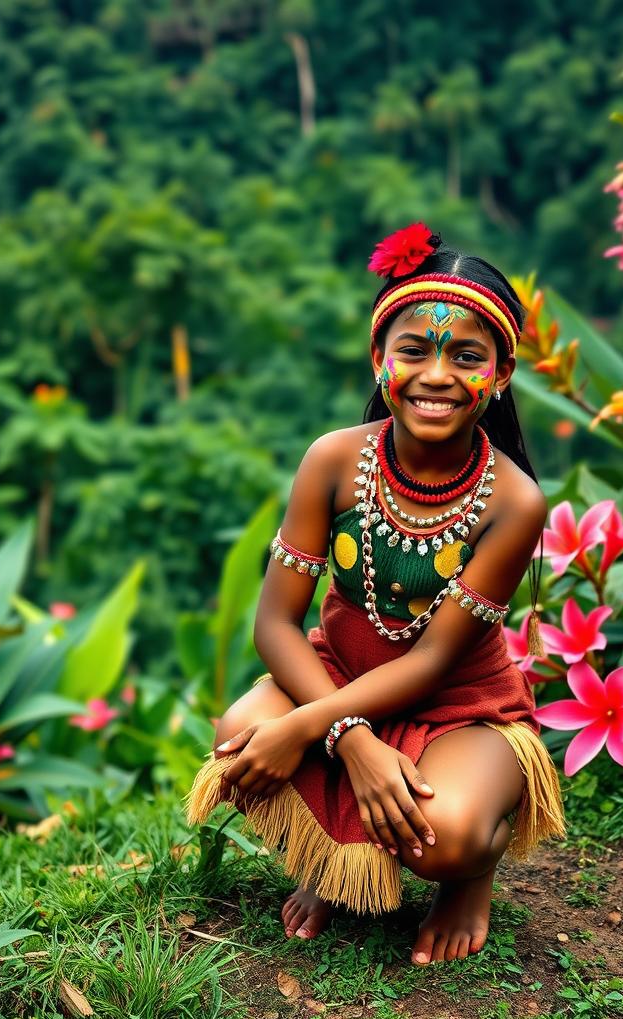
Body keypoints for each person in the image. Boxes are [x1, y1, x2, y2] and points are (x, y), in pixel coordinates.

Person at [185, 222, 564, 966]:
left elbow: (429, 666)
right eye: (414, 350)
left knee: (444, 836)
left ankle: (468, 880)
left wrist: (312, 729)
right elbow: (274, 624)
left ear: (503, 370)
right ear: (379, 358)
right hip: (337, 678)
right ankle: (336, 866)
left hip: (459, 707)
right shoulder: (332, 460)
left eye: (466, 356)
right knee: (240, 740)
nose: (436, 375)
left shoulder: (513, 503)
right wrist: (348, 737)